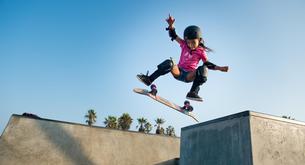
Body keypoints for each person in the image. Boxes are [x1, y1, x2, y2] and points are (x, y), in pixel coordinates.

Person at [137, 14, 229, 102]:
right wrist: (171, 25)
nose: (190, 45)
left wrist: (220, 68)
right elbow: (173, 35)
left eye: (193, 42)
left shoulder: (201, 51)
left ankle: (193, 92)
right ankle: (149, 79)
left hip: (189, 75)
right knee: (170, 62)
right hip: (178, 72)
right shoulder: (184, 44)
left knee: (204, 69)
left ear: (199, 40)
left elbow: (207, 64)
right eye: (188, 42)